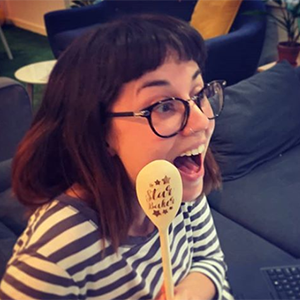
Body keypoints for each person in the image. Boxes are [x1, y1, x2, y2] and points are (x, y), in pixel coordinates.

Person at [0, 14, 234, 300]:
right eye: (164, 106)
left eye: (198, 94)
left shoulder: (175, 182)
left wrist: (189, 293)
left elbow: (210, 260)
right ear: (99, 131)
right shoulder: (51, 260)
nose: (201, 121)